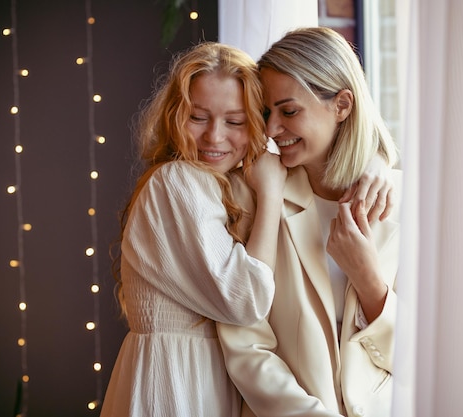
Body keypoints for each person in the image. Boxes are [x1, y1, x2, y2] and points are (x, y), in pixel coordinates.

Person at [217, 26, 402, 417]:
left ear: (342, 105)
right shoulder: (251, 196)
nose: (271, 130)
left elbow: (428, 358)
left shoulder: (405, 204)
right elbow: (246, 343)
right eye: (266, 113)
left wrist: (369, 282)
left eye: (289, 111)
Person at [99, 42, 288, 417]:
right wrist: (271, 194)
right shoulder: (176, 182)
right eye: (198, 117)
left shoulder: (222, 185)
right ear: (174, 116)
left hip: (196, 378)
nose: (214, 137)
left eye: (234, 121)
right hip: (176, 385)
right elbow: (245, 300)